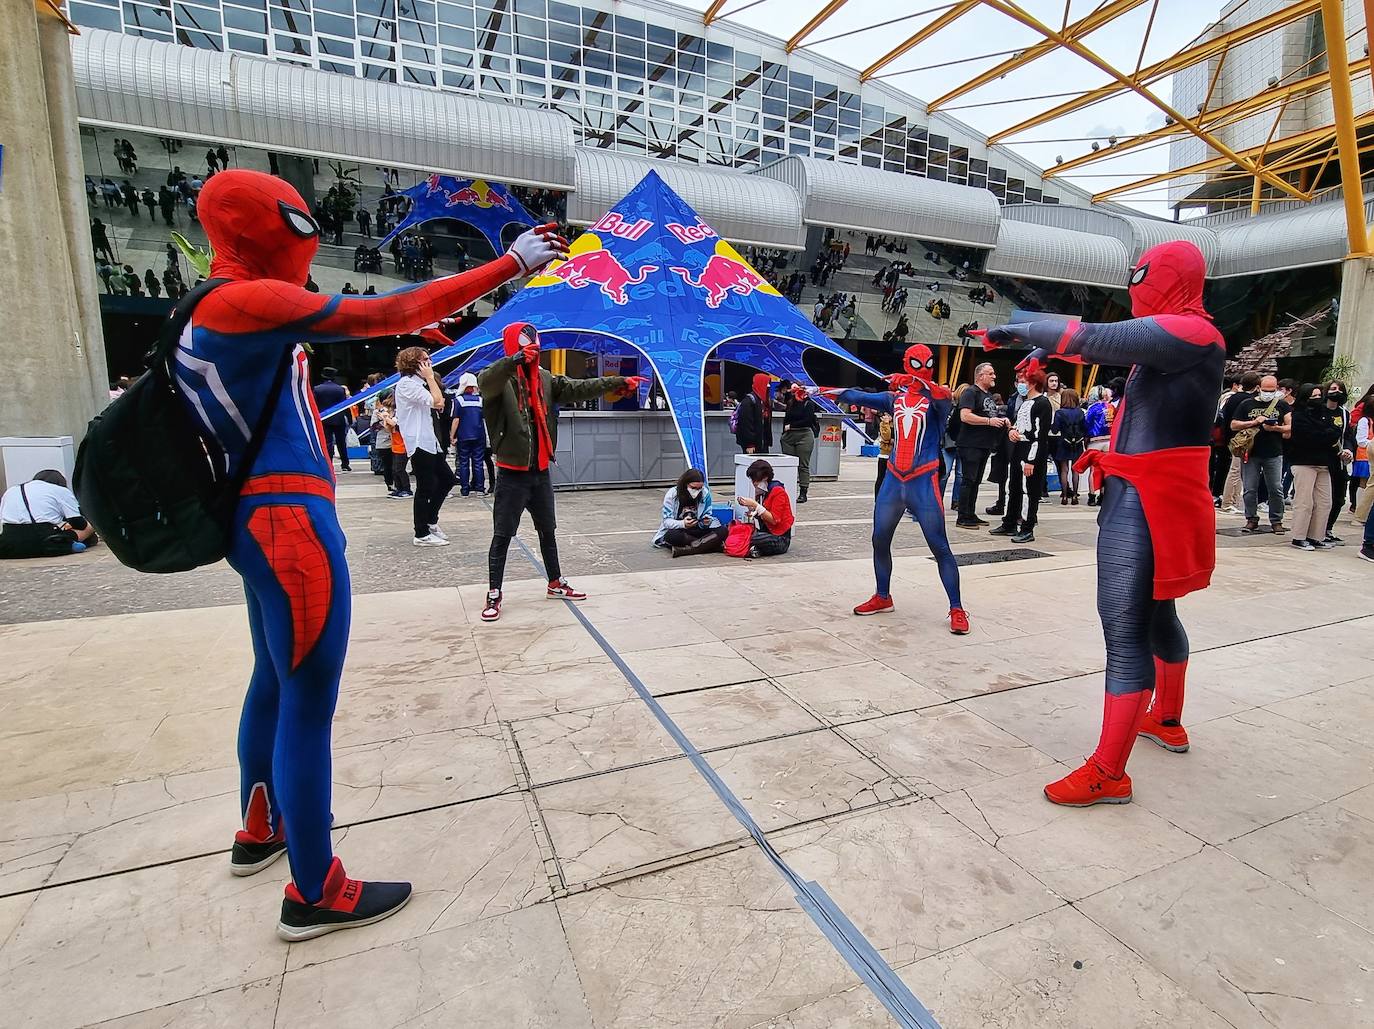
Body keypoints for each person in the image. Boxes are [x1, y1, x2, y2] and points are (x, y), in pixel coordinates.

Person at [174, 168, 564, 940]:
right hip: (289, 525)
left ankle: (262, 827)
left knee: (273, 683)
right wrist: (510, 264)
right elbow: (387, 311)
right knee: (307, 705)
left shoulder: (201, 308)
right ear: (267, 228)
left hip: (255, 526)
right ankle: (315, 889)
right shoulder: (243, 299)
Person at [980, 239, 1224, 808]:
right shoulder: (1185, 335)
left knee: (1125, 626)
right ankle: (1166, 719)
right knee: (1157, 613)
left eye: (1143, 276)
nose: (1135, 284)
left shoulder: (1192, 331)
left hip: (1148, 493)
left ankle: (1110, 772)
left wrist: (1016, 326)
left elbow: (1092, 339)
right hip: (1153, 488)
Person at [478, 322, 642, 622]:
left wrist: (617, 381)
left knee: (547, 531)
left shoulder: (543, 378)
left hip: (539, 471)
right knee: (502, 535)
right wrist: (514, 360)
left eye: (534, 346)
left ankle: (555, 582)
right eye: (525, 346)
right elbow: (486, 381)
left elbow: (577, 387)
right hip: (511, 473)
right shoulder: (500, 380)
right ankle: (494, 592)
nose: (532, 351)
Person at [825, 345, 969, 633]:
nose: (923, 367)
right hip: (894, 479)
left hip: (923, 480)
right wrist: (815, 390)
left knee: (940, 545)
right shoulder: (895, 398)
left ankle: (957, 608)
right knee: (879, 539)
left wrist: (915, 381)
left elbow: (945, 396)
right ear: (906, 363)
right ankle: (882, 595)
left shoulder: (936, 400)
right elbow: (857, 395)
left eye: (927, 363)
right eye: (917, 364)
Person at [394, 346, 457, 546]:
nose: (429, 364)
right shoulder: (406, 384)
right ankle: (421, 533)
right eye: (425, 361)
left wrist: (430, 379)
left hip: (430, 441)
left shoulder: (418, 384)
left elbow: (441, 400)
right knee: (425, 487)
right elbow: (438, 402)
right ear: (415, 364)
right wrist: (430, 377)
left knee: (447, 479)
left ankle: (430, 520)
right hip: (419, 441)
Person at [991, 365, 1053, 543]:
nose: (1020, 384)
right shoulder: (1026, 402)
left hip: (1031, 452)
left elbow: (1039, 435)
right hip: (1019, 448)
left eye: (1023, 381)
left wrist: (1031, 460)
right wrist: (1013, 431)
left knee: (1029, 491)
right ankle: (1010, 522)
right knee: (1014, 487)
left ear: (1033, 383)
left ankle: (1027, 527)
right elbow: (1021, 424)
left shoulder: (1042, 403)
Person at [1232, 373, 1290, 534]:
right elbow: (1233, 424)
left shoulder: (1282, 405)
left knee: (1276, 488)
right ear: (1259, 388)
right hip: (1251, 452)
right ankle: (1251, 518)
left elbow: (1290, 427)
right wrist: (1253, 422)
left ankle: (1276, 520)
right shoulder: (1246, 404)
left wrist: (1275, 428)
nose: (1268, 393)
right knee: (1250, 488)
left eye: (1271, 390)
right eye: (1265, 390)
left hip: (1273, 452)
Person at [955, 362, 1009, 529]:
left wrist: (1001, 419)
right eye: (990, 373)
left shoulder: (988, 395)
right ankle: (963, 516)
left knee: (976, 480)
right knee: (969, 480)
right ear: (980, 376)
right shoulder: (971, 393)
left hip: (984, 444)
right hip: (971, 443)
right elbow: (965, 416)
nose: (994, 376)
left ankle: (970, 513)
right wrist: (988, 421)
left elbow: (990, 414)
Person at [1287, 383, 1341, 551]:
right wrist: (1325, 435)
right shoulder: (1298, 416)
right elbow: (1308, 437)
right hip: (1304, 462)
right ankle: (1299, 536)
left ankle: (1316, 536)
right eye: (1313, 396)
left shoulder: (1324, 414)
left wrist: (1325, 434)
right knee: (1304, 502)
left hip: (1324, 463)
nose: (1318, 399)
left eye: (1319, 396)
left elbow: (1334, 431)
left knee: (1325, 502)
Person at [0, 470, 97, 559]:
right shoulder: (59, 490)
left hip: (8, 545)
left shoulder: (10, 491)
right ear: (60, 483)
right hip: (45, 542)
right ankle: (70, 544)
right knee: (90, 525)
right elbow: (79, 523)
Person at [653, 468, 727, 557]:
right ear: (686, 484)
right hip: (680, 530)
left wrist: (705, 522)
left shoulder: (705, 494)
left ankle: (687, 550)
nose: (696, 491)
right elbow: (667, 521)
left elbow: (707, 515)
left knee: (723, 530)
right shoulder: (672, 494)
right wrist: (683, 524)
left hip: (698, 528)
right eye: (693, 488)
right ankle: (711, 546)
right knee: (671, 536)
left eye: (699, 488)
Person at [736, 459, 794, 558]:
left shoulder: (778, 492)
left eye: (756, 480)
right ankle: (751, 549)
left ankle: (749, 548)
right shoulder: (762, 493)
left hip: (779, 537)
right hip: (766, 532)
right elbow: (763, 515)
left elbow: (774, 519)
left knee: (750, 538)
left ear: (765, 478)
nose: (754, 483)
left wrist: (756, 506)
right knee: (741, 533)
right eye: (752, 480)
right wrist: (753, 511)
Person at [1322, 379, 1354, 544]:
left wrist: (1348, 449)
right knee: (1323, 499)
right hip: (1322, 460)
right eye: (1333, 389)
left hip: (1339, 462)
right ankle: (1318, 529)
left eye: (1340, 389)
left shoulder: (1344, 413)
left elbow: (1348, 435)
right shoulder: (1319, 411)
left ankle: (1328, 529)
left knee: (1339, 498)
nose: (1337, 392)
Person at [778, 380, 819, 503]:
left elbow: (807, 420)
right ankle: (788, 490)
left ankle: (803, 492)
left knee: (803, 465)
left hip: (804, 435)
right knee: (789, 464)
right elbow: (786, 419)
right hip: (789, 437)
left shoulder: (809, 404)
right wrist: (784, 433)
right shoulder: (791, 402)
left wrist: (791, 426)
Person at [450, 372, 487, 496]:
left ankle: (465, 489)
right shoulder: (480, 401)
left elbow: (456, 419)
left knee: (464, 462)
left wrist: (452, 435)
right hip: (479, 435)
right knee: (478, 462)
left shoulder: (458, 400)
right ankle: (480, 488)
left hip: (463, 435)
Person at [312, 368, 353, 472]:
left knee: (327, 442)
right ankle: (345, 463)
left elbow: (314, 405)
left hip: (324, 419)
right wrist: (349, 418)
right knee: (341, 442)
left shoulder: (317, 389)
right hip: (338, 418)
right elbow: (345, 406)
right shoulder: (340, 389)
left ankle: (328, 463)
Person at [1052, 387, 1086, 504]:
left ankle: (1065, 496)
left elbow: (1055, 430)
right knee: (1075, 470)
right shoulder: (1080, 412)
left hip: (1063, 442)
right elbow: (1084, 428)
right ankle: (1075, 495)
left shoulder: (1059, 413)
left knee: (1064, 470)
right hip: (1077, 442)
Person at [1082, 384, 1112, 506]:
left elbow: (1087, 424)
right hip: (1109, 440)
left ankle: (1091, 496)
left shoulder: (1092, 408)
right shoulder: (1110, 407)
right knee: (1105, 469)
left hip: (1095, 440)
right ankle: (1103, 495)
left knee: (1093, 470)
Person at [734, 373, 773, 454]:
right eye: (767, 384)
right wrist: (749, 444)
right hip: (753, 445)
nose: (768, 386)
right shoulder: (749, 401)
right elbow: (745, 424)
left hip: (761, 442)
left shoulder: (763, 401)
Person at [874, 411, 893, 499]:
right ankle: (878, 498)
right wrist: (886, 423)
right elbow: (886, 437)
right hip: (885, 454)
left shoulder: (898, 423)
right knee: (881, 478)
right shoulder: (883, 424)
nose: (887, 416)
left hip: (896, 454)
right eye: (886, 414)